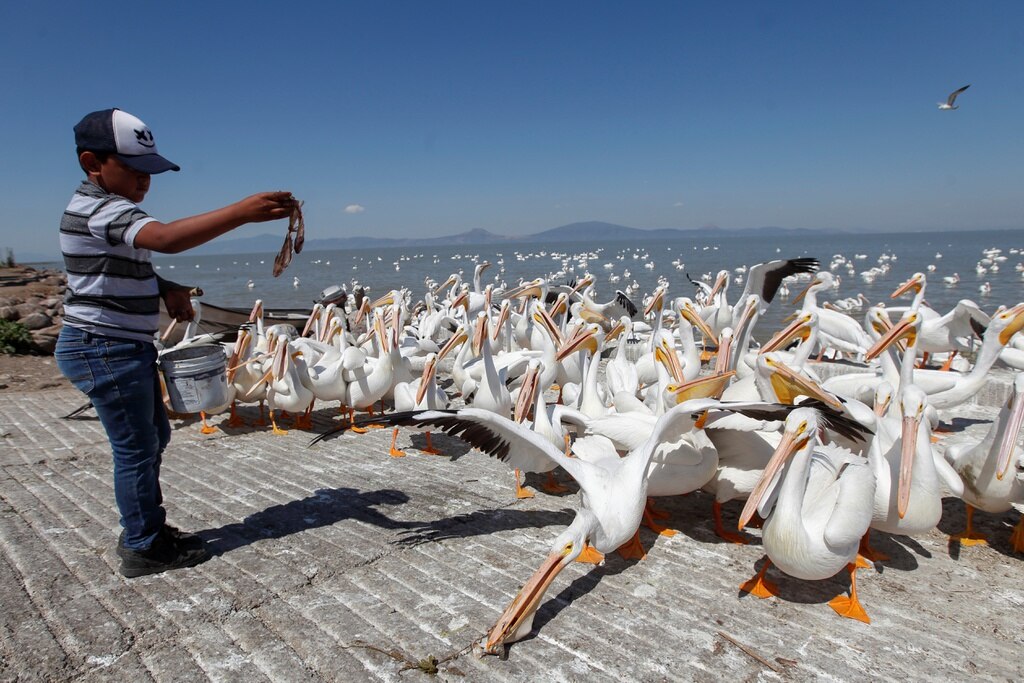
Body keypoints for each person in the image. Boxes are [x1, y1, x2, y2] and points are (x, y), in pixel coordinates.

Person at [54, 108, 297, 578]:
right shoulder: (100, 207)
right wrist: (239, 214)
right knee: (136, 447)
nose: (146, 182)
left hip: (118, 346)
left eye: (151, 172)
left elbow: (122, 265)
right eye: (135, 170)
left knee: (153, 437)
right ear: (92, 162)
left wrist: (164, 287)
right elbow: (163, 239)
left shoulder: (105, 209)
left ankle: (148, 527)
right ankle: (144, 545)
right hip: (102, 347)